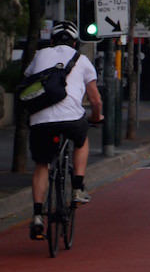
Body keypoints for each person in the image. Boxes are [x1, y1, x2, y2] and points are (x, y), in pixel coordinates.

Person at [25, 20, 103, 240]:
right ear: (75, 43)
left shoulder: (40, 55)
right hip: (71, 118)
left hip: (40, 119)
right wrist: (96, 117)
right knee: (81, 139)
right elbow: (95, 100)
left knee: (42, 163)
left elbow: (27, 80)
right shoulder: (83, 60)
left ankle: (38, 215)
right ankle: (78, 187)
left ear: (51, 40)